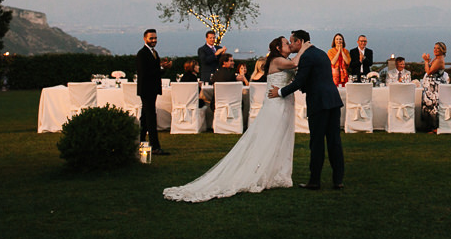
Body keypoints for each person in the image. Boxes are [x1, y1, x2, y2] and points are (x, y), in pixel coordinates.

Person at [163, 36, 300, 202]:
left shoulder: (281, 59)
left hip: (283, 103)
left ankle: (274, 172)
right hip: (276, 104)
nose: (289, 45)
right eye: (286, 43)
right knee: (269, 138)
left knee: (278, 139)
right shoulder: (278, 60)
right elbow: (294, 64)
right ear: (278, 48)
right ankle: (262, 172)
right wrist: (305, 46)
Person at [269, 30, 345, 190]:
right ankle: (338, 179)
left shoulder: (307, 57)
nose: (290, 45)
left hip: (319, 103)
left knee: (317, 142)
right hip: (333, 100)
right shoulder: (321, 53)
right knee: (334, 142)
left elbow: (299, 82)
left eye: (291, 42)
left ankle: (314, 181)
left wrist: (280, 92)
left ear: (299, 42)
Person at [136, 29, 171, 156]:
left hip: (152, 89)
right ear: (145, 39)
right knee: (150, 117)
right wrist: (161, 68)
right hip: (146, 90)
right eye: (151, 38)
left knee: (145, 117)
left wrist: (163, 68)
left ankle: (140, 141)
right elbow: (144, 73)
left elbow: (155, 72)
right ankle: (155, 146)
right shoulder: (142, 54)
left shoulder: (154, 53)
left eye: (155, 38)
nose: (154, 40)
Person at [420, 42, 447, 132]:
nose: (435, 50)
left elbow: (429, 71)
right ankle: (429, 126)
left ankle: (434, 127)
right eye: (434, 48)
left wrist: (426, 61)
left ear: (442, 50)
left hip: (434, 87)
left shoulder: (439, 61)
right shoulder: (436, 59)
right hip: (430, 86)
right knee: (428, 106)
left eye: (437, 49)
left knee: (433, 107)